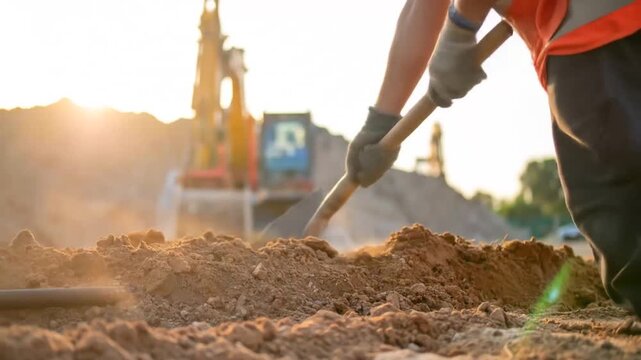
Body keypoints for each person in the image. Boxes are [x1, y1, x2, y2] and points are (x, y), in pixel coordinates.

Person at [345, 0, 641, 316]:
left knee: (619, 213)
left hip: (601, 31)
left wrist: (462, 27)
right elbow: (423, 7)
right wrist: (382, 120)